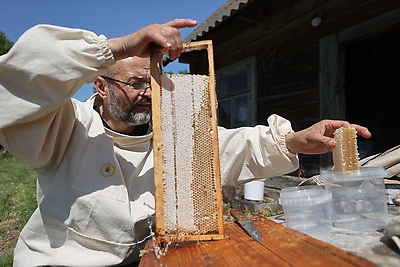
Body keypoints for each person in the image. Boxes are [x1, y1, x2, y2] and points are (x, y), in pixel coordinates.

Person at [0, 19, 371, 266]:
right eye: (135, 83)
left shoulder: (170, 133)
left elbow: (227, 147)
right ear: (101, 86)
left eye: (153, 83)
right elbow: (18, 83)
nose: (148, 93)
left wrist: (292, 141)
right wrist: (114, 47)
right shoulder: (64, 125)